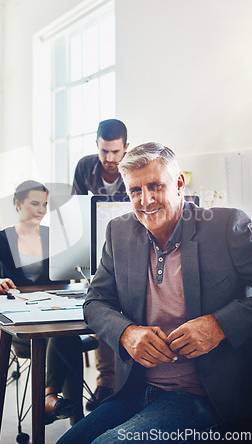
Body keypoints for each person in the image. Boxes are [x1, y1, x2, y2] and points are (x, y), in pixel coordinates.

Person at [58, 142, 252, 443]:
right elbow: (95, 302)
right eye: (135, 191)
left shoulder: (226, 227)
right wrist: (126, 333)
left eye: (155, 186)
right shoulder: (119, 232)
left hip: (204, 395)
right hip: (135, 389)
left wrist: (219, 325)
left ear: (178, 184)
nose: (146, 200)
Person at [0, 180, 84, 425]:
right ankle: (73, 416)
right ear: (18, 204)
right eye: (35, 203)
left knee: (66, 333)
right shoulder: (0, 239)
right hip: (20, 320)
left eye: (44, 204)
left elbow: (69, 274)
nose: (41, 210)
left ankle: (50, 399)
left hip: (51, 311)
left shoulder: (53, 237)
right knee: (67, 337)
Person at [72, 118, 129, 411]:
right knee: (100, 308)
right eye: (104, 151)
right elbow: (77, 214)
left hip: (130, 248)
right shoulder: (84, 167)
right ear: (97, 145)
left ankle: (124, 385)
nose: (109, 159)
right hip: (94, 249)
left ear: (125, 149)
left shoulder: (135, 168)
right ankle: (106, 384)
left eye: (115, 152)